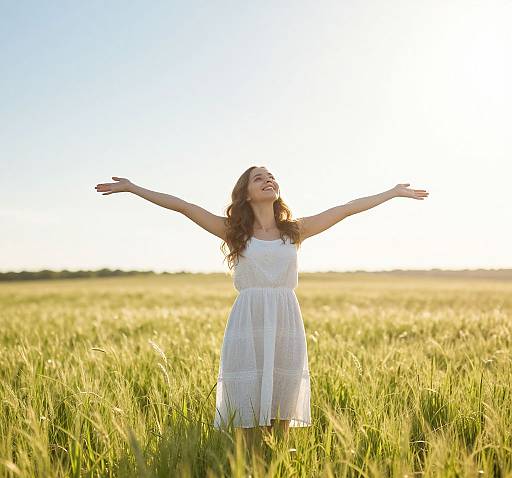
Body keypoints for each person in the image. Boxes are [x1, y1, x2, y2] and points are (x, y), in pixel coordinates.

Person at [95, 166, 428, 447]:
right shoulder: (233, 232)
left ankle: (277, 469)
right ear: (246, 193)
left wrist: (391, 192)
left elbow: (345, 209)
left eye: (271, 176)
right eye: (258, 178)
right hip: (248, 319)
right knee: (247, 401)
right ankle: (246, 473)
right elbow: (183, 206)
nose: (268, 180)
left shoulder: (295, 231)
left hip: (285, 318)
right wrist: (132, 188)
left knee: (282, 398)